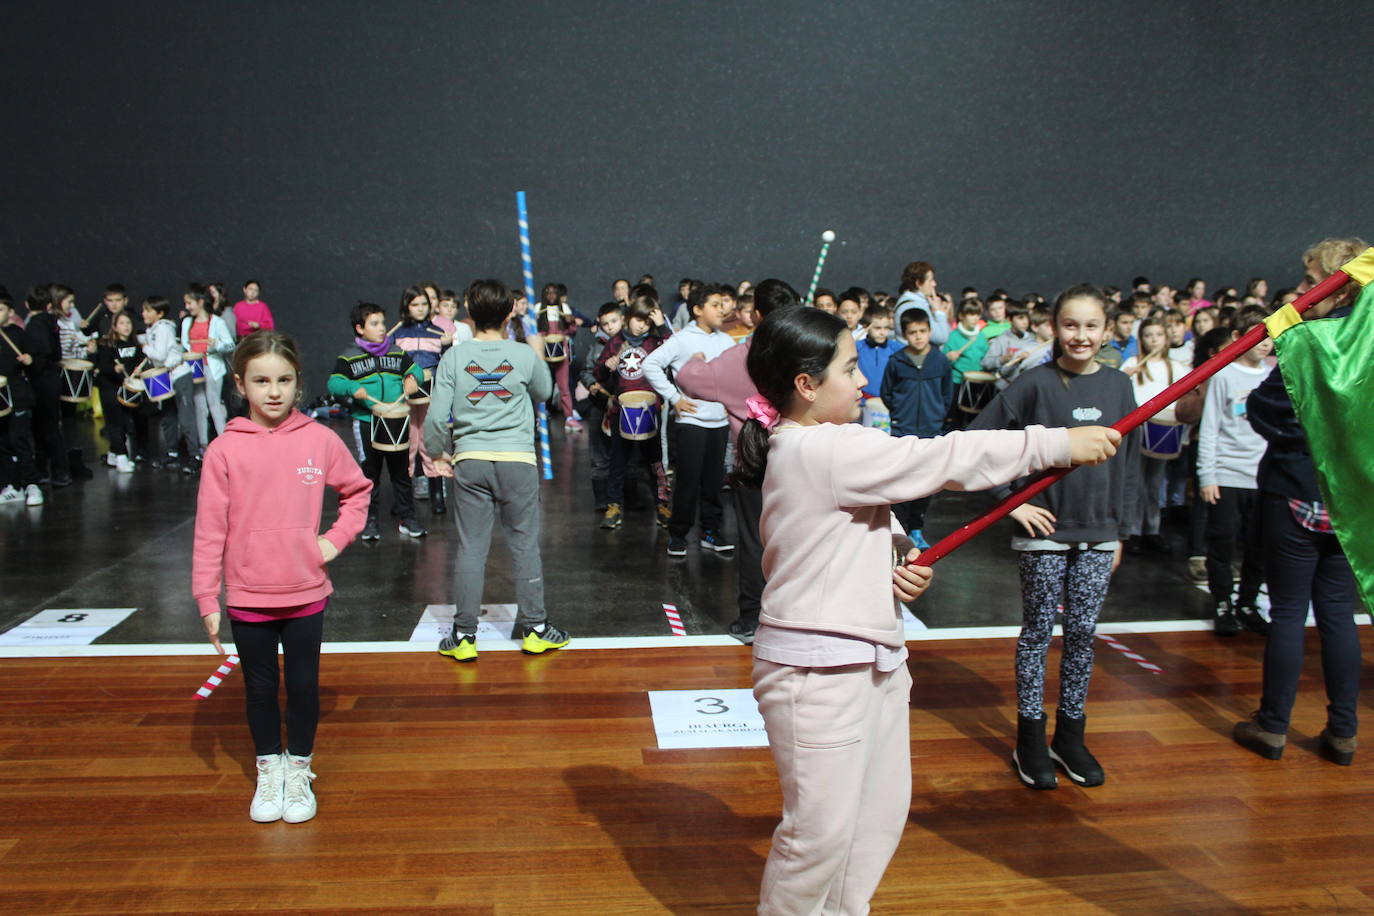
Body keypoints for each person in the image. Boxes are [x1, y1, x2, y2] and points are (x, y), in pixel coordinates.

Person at [739, 305, 1115, 913]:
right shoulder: (821, 447)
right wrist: (1054, 443)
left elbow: (852, 527)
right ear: (806, 384)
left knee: (877, 816)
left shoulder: (824, 451)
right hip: (819, 671)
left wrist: (894, 556)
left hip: (874, 658)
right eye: (849, 368)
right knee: (818, 837)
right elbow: (941, 458)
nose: (863, 380)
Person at [192, 330, 372, 823]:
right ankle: (269, 768)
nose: (274, 391)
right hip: (248, 596)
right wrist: (206, 596)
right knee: (259, 688)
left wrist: (334, 540)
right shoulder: (224, 451)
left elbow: (358, 492)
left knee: (304, 685)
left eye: (284, 380)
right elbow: (209, 530)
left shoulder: (319, 439)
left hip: (305, 592)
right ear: (239, 384)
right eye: (261, 381)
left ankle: (299, 770)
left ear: (298, 382)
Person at [969, 284, 1142, 790]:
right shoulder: (1033, 384)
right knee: (1038, 634)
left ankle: (1070, 737)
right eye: (1071, 325)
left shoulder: (1119, 386)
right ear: (1053, 328)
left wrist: (1120, 531)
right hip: (1044, 536)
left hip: (1099, 535)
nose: (1081, 335)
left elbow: (1130, 464)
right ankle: (1029, 739)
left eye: (1091, 326)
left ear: (1107, 331)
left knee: (1083, 634)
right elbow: (976, 441)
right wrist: (1011, 501)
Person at [1234, 237, 1368, 766]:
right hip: (1348, 502)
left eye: (1313, 281)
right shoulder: (1370, 345)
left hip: (1295, 491)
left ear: (1341, 289)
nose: (1301, 290)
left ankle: (1273, 726)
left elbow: (1267, 409)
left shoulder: (1310, 341)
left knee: (1288, 611)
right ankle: (1343, 732)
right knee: (1337, 614)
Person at [424, 279, 571, 662]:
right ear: (509, 314)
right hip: (517, 462)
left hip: (470, 461)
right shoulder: (522, 354)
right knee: (524, 545)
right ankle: (535, 630)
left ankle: (464, 636)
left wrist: (437, 453)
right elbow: (546, 393)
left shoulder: (454, 357)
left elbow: (437, 418)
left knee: (471, 549)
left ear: (469, 313)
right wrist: (535, 354)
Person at [676, 278, 801, 644]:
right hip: (804, 461)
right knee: (803, 539)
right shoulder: (804, 353)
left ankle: (752, 619)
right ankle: (800, 616)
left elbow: (688, 379)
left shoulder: (738, 359)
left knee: (754, 540)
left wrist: (695, 361)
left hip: (755, 465)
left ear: (756, 314)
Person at [643, 283, 736, 556]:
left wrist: (729, 403)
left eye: (723, 304)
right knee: (687, 482)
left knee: (713, 483)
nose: (722, 310)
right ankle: (678, 534)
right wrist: (675, 398)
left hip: (719, 423)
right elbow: (650, 364)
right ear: (697, 310)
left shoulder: (726, 341)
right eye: (715, 305)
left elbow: (733, 377)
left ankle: (711, 532)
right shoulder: (682, 339)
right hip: (691, 423)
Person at [1197, 312, 1272, 636]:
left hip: (1264, 476)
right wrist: (1207, 475)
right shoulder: (1224, 375)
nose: (1266, 342)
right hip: (1227, 474)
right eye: (1260, 335)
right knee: (1222, 543)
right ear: (1239, 336)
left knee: (1259, 544)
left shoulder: (1274, 374)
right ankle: (1223, 603)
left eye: (1270, 335)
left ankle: (1248, 602)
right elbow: (1210, 427)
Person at [326, 302, 426, 540]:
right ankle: (369, 521)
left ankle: (407, 518)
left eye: (382, 323)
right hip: (366, 422)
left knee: (401, 474)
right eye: (375, 324)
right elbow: (334, 383)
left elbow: (417, 371)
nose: (382, 328)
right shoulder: (349, 356)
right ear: (360, 328)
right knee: (370, 474)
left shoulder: (396, 351)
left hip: (396, 421)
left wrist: (412, 378)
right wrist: (352, 387)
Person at [594, 294, 672, 529]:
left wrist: (661, 326)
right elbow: (598, 373)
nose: (642, 326)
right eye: (639, 320)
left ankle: (662, 503)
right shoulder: (615, 342)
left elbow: (676, 351)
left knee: (655, 461)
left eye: (647, 322)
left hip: (650, 409)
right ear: (628, 317)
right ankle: (614, 504)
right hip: (621, 410)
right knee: (618, 461)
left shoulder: (655, 342)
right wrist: (606, 366)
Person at [880, 308, 953, 549]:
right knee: (901, 479)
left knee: (926, 482)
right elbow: (887, 393)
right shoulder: (896, 362)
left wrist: (937, 416)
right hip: (903, 429)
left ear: (930, 331)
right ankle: (900, 528)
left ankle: (917, 527)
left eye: (922, 331)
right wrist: (900, 414)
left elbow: (947, 394)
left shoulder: (940, 361)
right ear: (904, 334)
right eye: (913, 332)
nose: (918, 336)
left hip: (931, 430)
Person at [1121, 317, 1190, 554]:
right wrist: (1125, 376)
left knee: (1154, 483)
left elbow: (1186, 395)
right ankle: (1132, 530)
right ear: (1141, 339)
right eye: (1149, 335)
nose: (1154, 340)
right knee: (1136, 482)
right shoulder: (1133, 363)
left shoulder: (1175, 367)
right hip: (1137, 430)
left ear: (1166, 338)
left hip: (1163, 429)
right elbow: (1121, 393)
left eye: (1159, 335)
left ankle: (1152, 529)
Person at [394, 285, 451, 514]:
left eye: (424, 304)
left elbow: (447, 365)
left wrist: (448, 345)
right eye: (414, 304)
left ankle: (437, 492)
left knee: (430, 440)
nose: (420, 309)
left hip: (431, 393)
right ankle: (403, 497)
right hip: (404, 394)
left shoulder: (438, 332)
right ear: (406, 306)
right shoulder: (398, 333)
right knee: (407, 442)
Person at [22, 286, 73, 488]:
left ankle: (57, 471)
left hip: (41, 381)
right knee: (47, 426)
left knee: (45, 428)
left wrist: (31, 361)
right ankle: (46, 469)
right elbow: (56, 353)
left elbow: (41, 354)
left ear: (27, 305)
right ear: (50, 305)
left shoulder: (35, 325)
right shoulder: (52, 323)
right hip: (52, 379)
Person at [140, 295, 198, 473]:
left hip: (179, 374)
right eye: (144, 310)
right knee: (168, 416)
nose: (144, 314)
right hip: (166, 376)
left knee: (186, 417)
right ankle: (172, 452)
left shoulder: (163, 328)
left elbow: (160, 355)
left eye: (148, 310)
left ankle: (195, 455)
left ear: (159, 313)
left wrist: (144, 347)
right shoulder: (153, 329)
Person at [579, 302, 624, 515]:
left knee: (629, 453)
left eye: (614, 321)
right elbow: (585, 371)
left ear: (623, 320)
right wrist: (591, 384)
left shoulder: (630, 344)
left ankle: (629, 497)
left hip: (625, 405)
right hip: (600, 404)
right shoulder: (597, 346)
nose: (610, 326)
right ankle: (601, 499)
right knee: (599, 453)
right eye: (605, 324)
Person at [180, 285, 234, 449]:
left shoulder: (217, 322)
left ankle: (224, 443)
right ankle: (203, 444)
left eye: (190, 303)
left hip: (212, 367)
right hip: (195, 368)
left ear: (200, 302)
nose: (187, 307)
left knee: (214, 404)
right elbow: (185, 343)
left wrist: (216, 345)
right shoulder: (187, 322)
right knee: (200, 406)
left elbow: (230, 344)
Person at [0, 295, 42, 504]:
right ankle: (12, 485)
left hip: (18, 395)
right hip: (1, 397)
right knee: (2, 443)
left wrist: (30, 360)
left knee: (20, 441)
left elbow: (39, 360)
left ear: (10, 313)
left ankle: (32, 484)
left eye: (0, 310)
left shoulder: (18, 334)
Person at [93, 311, 144, 471]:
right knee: (115, 423)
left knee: (125, 422)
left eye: (128, 323)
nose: (126, 326)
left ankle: (113, 454)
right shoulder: (108, 345)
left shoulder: (135, 344)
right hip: (109, 387)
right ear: (114, 327)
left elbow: (139, 362)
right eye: (122, 323)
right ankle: (121, 456)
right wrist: (113, 368)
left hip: (126, 388)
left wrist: (139, 370)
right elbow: (100, 366)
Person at [536, 282, 581, 430]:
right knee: (543, 387)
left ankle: (569, 417)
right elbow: (533, 330)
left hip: (561, 353)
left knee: (564, 387)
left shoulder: (564, 309)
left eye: (554, 292)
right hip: (544, 353)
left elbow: (571, 331)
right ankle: (541, 415)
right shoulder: (539, 308)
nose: (551, 295)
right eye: (547, 292)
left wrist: (571, 323)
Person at [981, 301, 1037, 390]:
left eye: (1027, 318)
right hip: (1006, 387)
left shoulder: (1033, 339)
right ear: (1009, 320)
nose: (1025, 322)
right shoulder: (1001, 339)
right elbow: (986, 363)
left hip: (1028, 387)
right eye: (1020, 318)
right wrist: (1002, 359)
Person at [893, 260, 949, 346]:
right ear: (918, 283)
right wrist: (939, 312)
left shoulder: (915, 302)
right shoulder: (913, 306)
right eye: (930, 280)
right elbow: (941, 337)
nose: (934, 284)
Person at [942, 298, 990, 385]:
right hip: (957, 380)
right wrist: (948, 357)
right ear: (961, 316)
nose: (975, 318)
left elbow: (986, 358)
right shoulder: (952, 336)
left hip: (977, 379)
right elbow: (941, 360)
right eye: (971, 314)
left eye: (977, 314)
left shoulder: (981, 336)